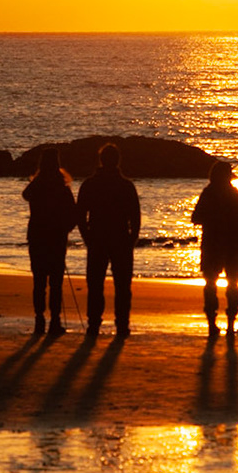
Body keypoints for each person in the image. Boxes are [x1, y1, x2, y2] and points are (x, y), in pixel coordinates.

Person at [74, 142, 141, 337]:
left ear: (101, 161)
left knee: (95, 284)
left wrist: (87, 236)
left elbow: (80, 215)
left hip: (98, 238)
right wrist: (132, 239)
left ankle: (94, 324)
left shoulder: (90, 184)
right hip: (119, 239)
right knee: (122, 286)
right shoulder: (126, 185)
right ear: (118, 161)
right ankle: (121, 325)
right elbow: (135, 217)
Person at [21, 148, 77, 336]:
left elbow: (26, 194)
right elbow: (73, 214)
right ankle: (54, 321)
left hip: (37, 236)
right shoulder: (62, 188)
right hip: (56, 238)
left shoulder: (37, 186)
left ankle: (39, 320)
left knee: (39, 281)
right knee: (55, 282)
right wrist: (65, 229)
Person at [190, 159, 238, 338]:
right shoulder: (236, 194)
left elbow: (195, 217)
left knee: (211, 285)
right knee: (232, 285)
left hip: (212, 244)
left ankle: (212, 323)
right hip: (232, 245)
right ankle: (230, 324)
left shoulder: (208, 193)